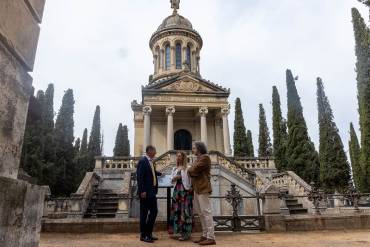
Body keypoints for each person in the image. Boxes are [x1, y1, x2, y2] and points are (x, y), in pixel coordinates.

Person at [188, 142, 216, 246]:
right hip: (197, 188)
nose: (192, 150)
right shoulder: (197, 159)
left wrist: (191, 170)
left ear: (199, 148)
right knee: (200, 213)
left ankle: (211, 237)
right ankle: (205, 235)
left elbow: (193, 170)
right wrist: (192, 171)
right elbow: (192, 171)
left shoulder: (205, 158)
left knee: (206, 212)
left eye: (194, 148)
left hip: (203, 188)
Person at [136, 145, 162, 243]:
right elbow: (140, 177)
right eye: (154, 151)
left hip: (151, 191)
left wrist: (160, 174)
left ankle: (149, 233)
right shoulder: (143, 161)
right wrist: (142, 191)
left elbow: (151, 172)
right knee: (145, 213)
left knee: (153, 211)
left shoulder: (150, 161)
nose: (155, 153)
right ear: (149, 151)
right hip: (145, 192)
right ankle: (144, 235)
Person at [168, 151, 193, 241]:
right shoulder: (175, 168)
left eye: (180, 156)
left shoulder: (188, 168)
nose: (178, 158)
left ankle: (186, 233)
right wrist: (174, 178)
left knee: (185, 211)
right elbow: (171, 178)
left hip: (185, 192)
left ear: (183, 157)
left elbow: (192, 179)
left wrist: (191, 188)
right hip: (176, 192)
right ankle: (178, 232)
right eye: (177, 156)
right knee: (176, 211)